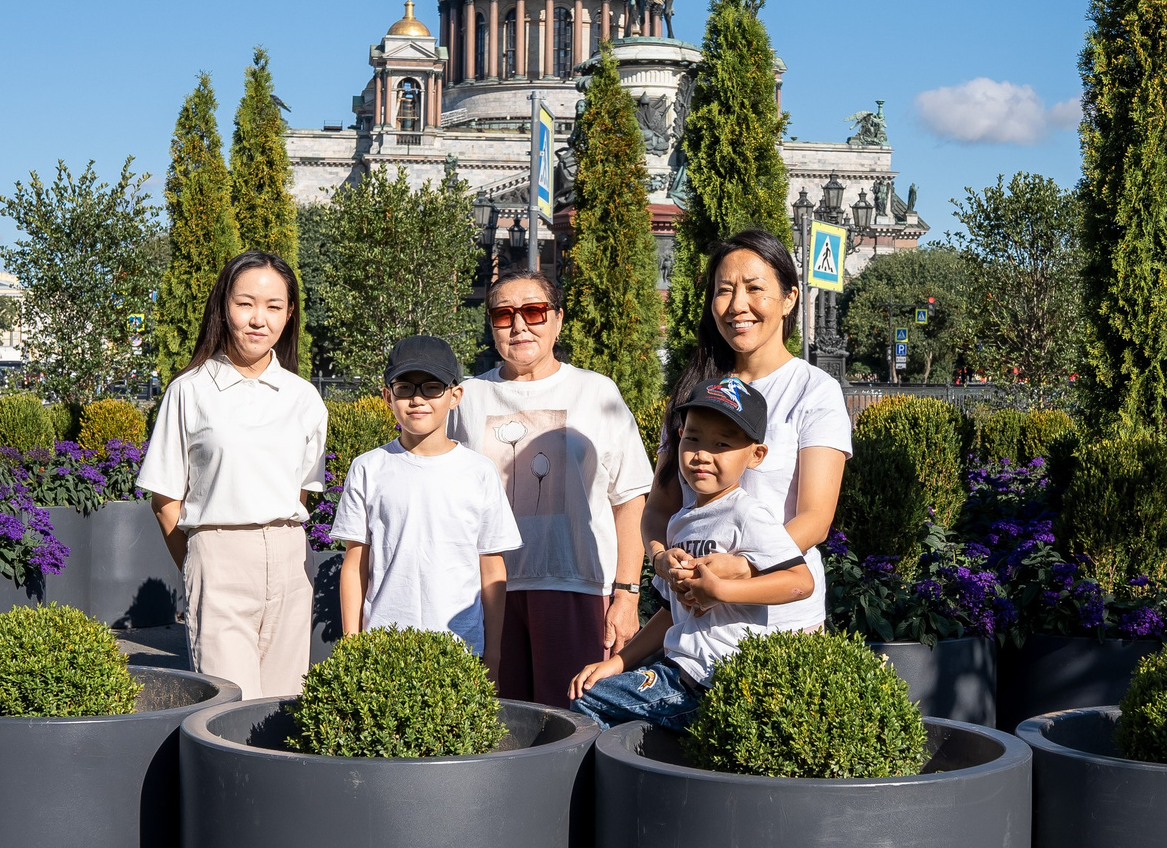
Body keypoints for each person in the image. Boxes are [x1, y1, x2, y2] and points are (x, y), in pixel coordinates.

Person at [450, 269, 654, 705]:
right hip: (485, 593)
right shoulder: (465, 399)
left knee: (573, 718)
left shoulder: (597, 393)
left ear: (558, 319)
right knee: (495, 721)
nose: (519, 325)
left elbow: (630, 499)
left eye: (534, 311)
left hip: (576, 587)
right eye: (504, 315)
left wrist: (627, 594)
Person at [569, 377, 818, 728]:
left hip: (711, 681)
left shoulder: (746, 514)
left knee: (590, 702)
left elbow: (800, 582)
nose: (702, 454)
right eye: (693, 439)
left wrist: (722, 591)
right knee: (592, 689)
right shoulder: (679, 523)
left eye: (721, 444)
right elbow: (674, 612)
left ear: (756, 454)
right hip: (681, 673)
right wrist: (617, 662)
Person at [638, 230, 852, 637]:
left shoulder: (813, 390)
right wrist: (660, 557)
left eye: (755, 288)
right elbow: (659, 506)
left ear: (790, 299)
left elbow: (815, 518)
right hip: (694, 628)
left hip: (779, 625)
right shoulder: (694, 392)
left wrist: (741, 567)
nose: (738, 305)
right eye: (724, 290)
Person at [136, 250, 328, 698]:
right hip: (218, 558)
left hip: (290, 562)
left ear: (289, 314)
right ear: (224, 307)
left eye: (273, 307)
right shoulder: (190, 390)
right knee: (228, 706)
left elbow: (301, 494)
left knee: (285, 707)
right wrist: (198, 563)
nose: (258, 319)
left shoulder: (304, 399)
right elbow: (165, 498)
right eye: (245, 304)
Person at [332, 336, 519, 653]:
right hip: (382, 645)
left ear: (455, 395)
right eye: (405, 388)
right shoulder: (367, 468)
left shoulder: (479, 472)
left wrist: (494, 653)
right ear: (387, 396)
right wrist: (352, 645)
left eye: (432, 387)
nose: (417, 399)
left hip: (461, 647)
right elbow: (355, 563)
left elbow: (491, 568)